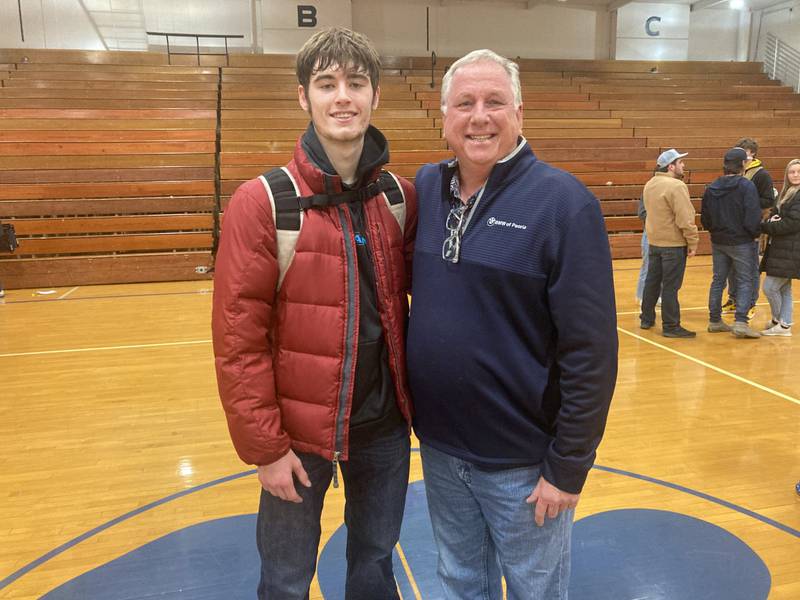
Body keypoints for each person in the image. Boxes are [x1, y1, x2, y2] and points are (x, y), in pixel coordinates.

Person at [211, 27, 417, 600]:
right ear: (304, 96)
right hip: (296, 437)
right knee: (284, 579)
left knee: (375, 566)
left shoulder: (400, 197)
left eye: (356, 83)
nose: (343, 97)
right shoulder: (262, 202)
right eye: (327, 84)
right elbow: (238, 342)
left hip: (383, 429)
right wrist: (266, 449)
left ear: (375, 95)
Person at [407, 49, 618, 600]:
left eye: (494, 102)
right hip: (440, 449)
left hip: (523, 465)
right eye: (465, 103)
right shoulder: (425, 189)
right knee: (460, 582)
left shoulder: (564, 204)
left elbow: (591, 351)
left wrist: (567, 467)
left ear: (519, 113)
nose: (479, 116)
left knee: (534, 590)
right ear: (444, 117)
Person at [701, 147, 762, 338]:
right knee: (745, 280)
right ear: (742, 164)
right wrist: (754, 234)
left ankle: (715, 321)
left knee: (718, 280)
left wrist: (716, 232)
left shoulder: (712, 187)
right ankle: (741, 322)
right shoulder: (746, 186)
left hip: (719, 241)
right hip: (742, 241)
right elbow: (752, 215)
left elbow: (705, 219)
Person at [640, 148, 699, 338]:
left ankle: (646, 319)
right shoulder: (676, 186)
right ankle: (671, 326)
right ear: (671, 166)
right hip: (673, 245)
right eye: (680, 162)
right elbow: (685, 218)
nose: (683, 165)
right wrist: (693, 241)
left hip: (654, 242)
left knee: (652, 282)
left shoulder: (650, 183)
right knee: (671, 287)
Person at [723, 138, 775, 318]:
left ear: (752, 154)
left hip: (750, 227)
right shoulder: (734, 171)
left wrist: (745, 201)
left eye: (744, 152)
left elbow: (768, 200)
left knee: (751, 268)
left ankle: (751, 302)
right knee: (732, 267)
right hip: (733, 226)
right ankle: (733, 298)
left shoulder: (761, 175)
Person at [758, 158, 800, 336]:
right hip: (782, 248)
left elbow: (792, 224)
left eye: (798, 172)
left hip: (791, 250)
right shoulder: (786, 193)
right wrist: (771, 220)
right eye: (792, 172)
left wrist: (767, 226)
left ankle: (781, 322)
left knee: (770, 287)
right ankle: (783, 324)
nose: (795, 175)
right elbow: (774, 213)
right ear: (787, 175)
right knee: (784, 288)